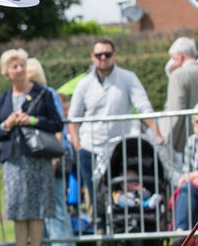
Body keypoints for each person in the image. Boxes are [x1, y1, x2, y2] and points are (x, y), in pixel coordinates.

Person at [0, 49, 64, 246]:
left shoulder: (43, 93)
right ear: (6, 73)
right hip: (13, 159)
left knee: (38, 209)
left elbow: (57, 123)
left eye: (22, 64)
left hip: (38, 157)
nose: (20, 69)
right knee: (18, 210)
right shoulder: (3, 99)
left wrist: (32, 121)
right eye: (14, 66)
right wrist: (8, 124)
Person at [68, 39, 163, 207]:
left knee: (119, 191)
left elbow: (144, 107)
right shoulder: (84, 84)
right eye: (99, 54)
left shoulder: (128, 78)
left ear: (114, 55)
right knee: (93, 192)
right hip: (90, 146)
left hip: (119, 149)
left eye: (107, 54)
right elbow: (73, 117)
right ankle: (99, 226)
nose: (103, 57)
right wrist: (77, 145)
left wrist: (157, 134)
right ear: (92, 57)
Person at [26, 59, 81, 246]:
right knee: (45, 209)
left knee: (56, 207)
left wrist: (55, 158)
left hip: (52, 157)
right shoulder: (41, 93)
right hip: (42, 158)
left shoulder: (46, 93)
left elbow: (57, 126)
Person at [164, 37, 198, 154]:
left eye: (172, 58)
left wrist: (167, 142)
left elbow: (175, 114)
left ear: (179, 56)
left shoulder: (178, 75)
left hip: (184, 144)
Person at [171, 108, 198, 238]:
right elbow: (186, 172)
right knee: (185, 188)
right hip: (193, 185)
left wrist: (193, 176)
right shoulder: (192, 141)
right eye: (196, 122)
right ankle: (180, 234)